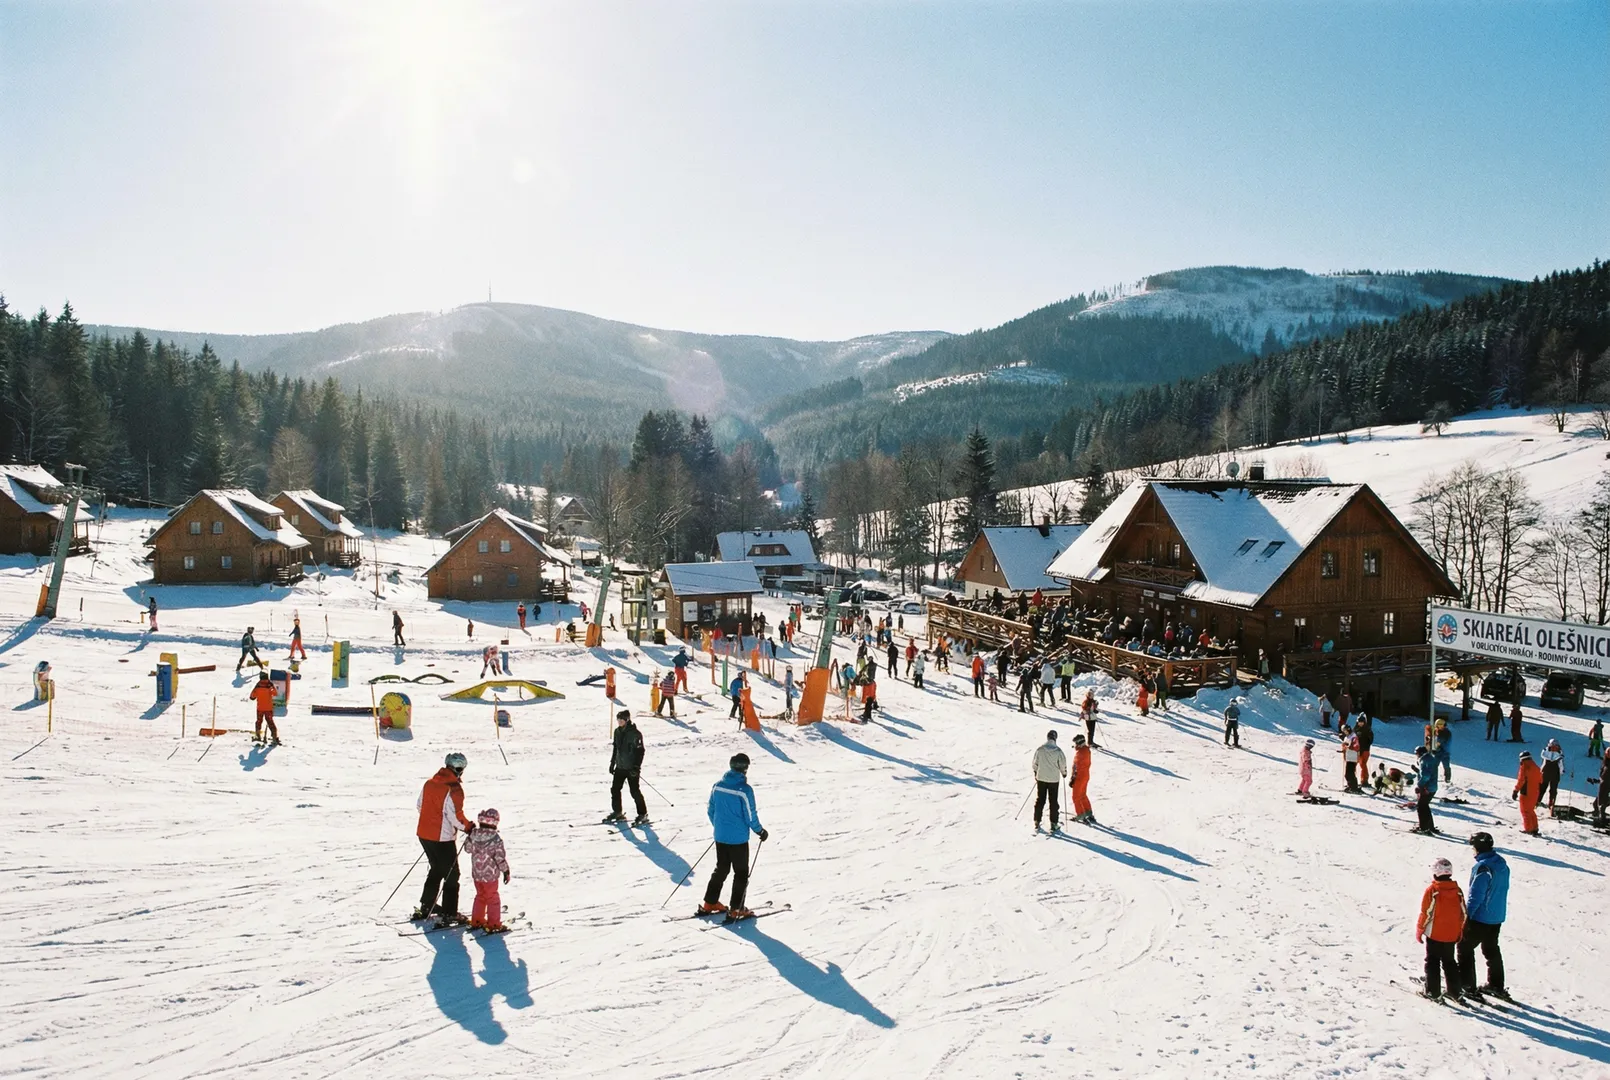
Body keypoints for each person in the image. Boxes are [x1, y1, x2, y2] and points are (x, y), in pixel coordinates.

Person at [699, 753, 767, 919]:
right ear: (745, 768)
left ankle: (710, 903)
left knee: (721, 869)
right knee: (741, 872)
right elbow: (750, 815)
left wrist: (720, 828)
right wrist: (760, 831)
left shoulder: (718, 786)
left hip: (720, 836)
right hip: (738, 839)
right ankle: (736, 908)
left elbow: (711, 810)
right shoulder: (744, 790)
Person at [413, 752, 473, 925]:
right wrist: (468, 827)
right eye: (460, 768)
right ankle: (449, 913)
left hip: (424, 834)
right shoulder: (454, 789)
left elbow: (420, 805)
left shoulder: (430, 783)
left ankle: (427, 905)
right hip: (442, 838)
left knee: (437, 869)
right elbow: (455, 816)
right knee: (452, 875)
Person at [1459, 832, 1509, 1002]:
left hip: (1481, 917)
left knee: (1464, 948)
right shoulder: (1501, 863)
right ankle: (1496, 985)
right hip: (1497, 915)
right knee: (1491, 949)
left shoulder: (1483, 868)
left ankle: (1467, 986)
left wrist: (1467, 916)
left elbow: (1476, 895)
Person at [1416, 856, 1467, 1001]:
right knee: (1449, 961)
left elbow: (1426, 912)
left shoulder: (1433, 890)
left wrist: (1420, 929)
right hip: (1451, 934)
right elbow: (1463, 913)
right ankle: (1455, 992)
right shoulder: (1457, 891)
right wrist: (1460, 930)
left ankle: (1433, 992)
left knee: (1432, 961)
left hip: (1435, 933)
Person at [467, 808, 511, 933]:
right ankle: (494, 924)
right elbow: (499, 858)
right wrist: (506, 871)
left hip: (477, 874)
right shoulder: (495, 839)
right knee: (492, 898)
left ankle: (477, 920)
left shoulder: (474, 835)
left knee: (480, 896)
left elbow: (467, 849)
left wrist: (470, 835)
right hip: (490, 876)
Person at [605, 710, 649, 826]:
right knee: (615, 789)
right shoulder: (617, 732)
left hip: (631, 768)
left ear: (627, 720)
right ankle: (617, 812)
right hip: (620, 766)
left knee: (634, 791)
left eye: (621, 720)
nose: (619, 722)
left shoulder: (635, 734)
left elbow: (640, 752)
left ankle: (643, 814)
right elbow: (616, 748)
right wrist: (612, 763)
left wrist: (636, 767)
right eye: (618, 720)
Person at [1031, 730, 1067, 832]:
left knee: (1040, 799)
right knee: (1053, 801)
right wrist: (1064, 773)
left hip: (1041, 778)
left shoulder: (1040, 749)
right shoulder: (1058, 751)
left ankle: (1037, 820)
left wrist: (1036, 772)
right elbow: (1062, 764)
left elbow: (1035, 763)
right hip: (1053, 780)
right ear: (1055, 738)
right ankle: (1054, 823)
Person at [1512, 751, 1542, 835]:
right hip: (1535, 792)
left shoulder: (1524, 767)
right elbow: (1541, 780)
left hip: (1526, 792)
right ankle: (1535, 828)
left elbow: (1521, 780)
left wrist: (1516, 790)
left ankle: (1528, 829)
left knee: (1525, 811)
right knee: (1531, 810)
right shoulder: (1536, 767)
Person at [1070, 733, 1095, 824]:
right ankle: (1088, 812)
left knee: (1076, 796)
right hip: (1086, 775)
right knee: (1082, 795)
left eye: (1076, 743)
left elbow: (1075, 767)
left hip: (1079, 777)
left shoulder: (1079, 753)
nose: (1075, 745)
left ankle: (1080, 814)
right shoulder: (1087, 750)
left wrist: (1072, 778)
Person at [1413, 746, 1439, 834]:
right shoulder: (1430, 759)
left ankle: (1423, 828)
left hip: (1427, 788)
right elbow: (1427, 772)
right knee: (1425, 806)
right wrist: (1417, 771)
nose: (1416, 755)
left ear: (1420, 753)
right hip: (1433, 787)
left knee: (1421, 807)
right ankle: (1430, 827)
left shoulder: (1424, 761)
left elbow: (1426, 776)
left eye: (1416, 753)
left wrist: (1419, 786)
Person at [250, 671, 278, 744]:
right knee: (270, 722)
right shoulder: (269, 685)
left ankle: (258, 735)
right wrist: (272, 686)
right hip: (268, 708)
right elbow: (275, 693)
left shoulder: (258, 685)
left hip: (260, 708)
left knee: (259, 721)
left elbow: (252, 696)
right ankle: (274, 736)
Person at [1540, 739, 1564, 813]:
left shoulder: (1545, 751)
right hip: (1555, 772)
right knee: (1553, 789)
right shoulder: (1559, 752)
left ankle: (1537, 801)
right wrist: (1561, 771)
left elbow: (1542, 756)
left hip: (1546, 771)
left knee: (1542, 787)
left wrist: (1541, 771)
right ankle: (1551, 803)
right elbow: (1560, 764)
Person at [1355, 713, 1374, 786]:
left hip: (1365, 749)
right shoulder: (1355, 729)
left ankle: (1364, 780)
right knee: (1353, 764)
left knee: (1363, 764)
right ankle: (1352, 779)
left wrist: (1368, 738)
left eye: (1362, 722)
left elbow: (1371, 739)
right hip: (1356, 750)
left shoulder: (1367, 729)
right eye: (1359, 722)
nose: (1360, 723)